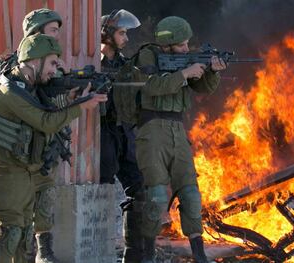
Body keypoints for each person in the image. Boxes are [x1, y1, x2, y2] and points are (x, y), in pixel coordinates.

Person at [0, 34, 106, 263]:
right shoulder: (10, 91)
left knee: (26, 235)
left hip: (23, 170)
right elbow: (45, 121)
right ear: (34, 62)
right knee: (9, 234)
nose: (54, 70)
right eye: (52, 64)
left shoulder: (30, 88)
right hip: (2, 173)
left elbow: (47, 111)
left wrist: (72, 99)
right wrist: (82, 107)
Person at [134, 16, 226, 262]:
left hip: (177, 127)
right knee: (156, 195)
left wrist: (212, 73)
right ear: (168, 44)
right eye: (182, 45)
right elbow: (151, 86)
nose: (187, 49)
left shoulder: (186, 60)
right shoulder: (148, 56)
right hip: (151, 128)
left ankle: (199, 253)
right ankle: (147, 254)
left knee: (191, 192)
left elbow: (203, 88)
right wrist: (184, 73)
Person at [21, 8, 69, 263]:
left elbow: (60, 105)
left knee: (46, 199)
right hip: (21, 149)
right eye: (52, 31)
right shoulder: (14, 65)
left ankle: (44, 251)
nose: (57, 36)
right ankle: (24, 252)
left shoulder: (55, 68)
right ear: (35, 33)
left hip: (48, 146)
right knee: (21, 205)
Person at [99, 9, 146, 263]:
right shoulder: (94, 63)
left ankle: (133, 255)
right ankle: (99, 249)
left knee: (139, 189)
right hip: (103, 132)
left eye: (126, 32)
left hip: (124, 131)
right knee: (103, 189)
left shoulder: (126, 64)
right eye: (121, 32)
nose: (126, 37)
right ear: (107, 34)